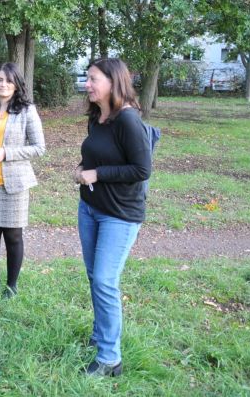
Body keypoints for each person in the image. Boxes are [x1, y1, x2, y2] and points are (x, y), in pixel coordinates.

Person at [73, 57, 152, 377]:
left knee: (105, 280)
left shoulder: (128, 120)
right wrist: (82, 168)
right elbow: (93, 153)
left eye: (93, 79)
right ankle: (100, 336)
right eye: (87, 78)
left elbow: (141, 169)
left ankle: (110, 359)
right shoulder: (98, 117)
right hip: (90, 209)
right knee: (95, 277)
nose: (87, 84)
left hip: (119, 215)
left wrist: (97, 173)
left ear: (112, 82)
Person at [0, 62, 45, 298]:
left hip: (14, 184)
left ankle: (11, 286)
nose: (3, 84)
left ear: (16, 84)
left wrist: (7, 153)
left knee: (13, 235)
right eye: (0, 80)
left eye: (8, 81)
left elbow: (39, 147)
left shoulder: (26, 110)